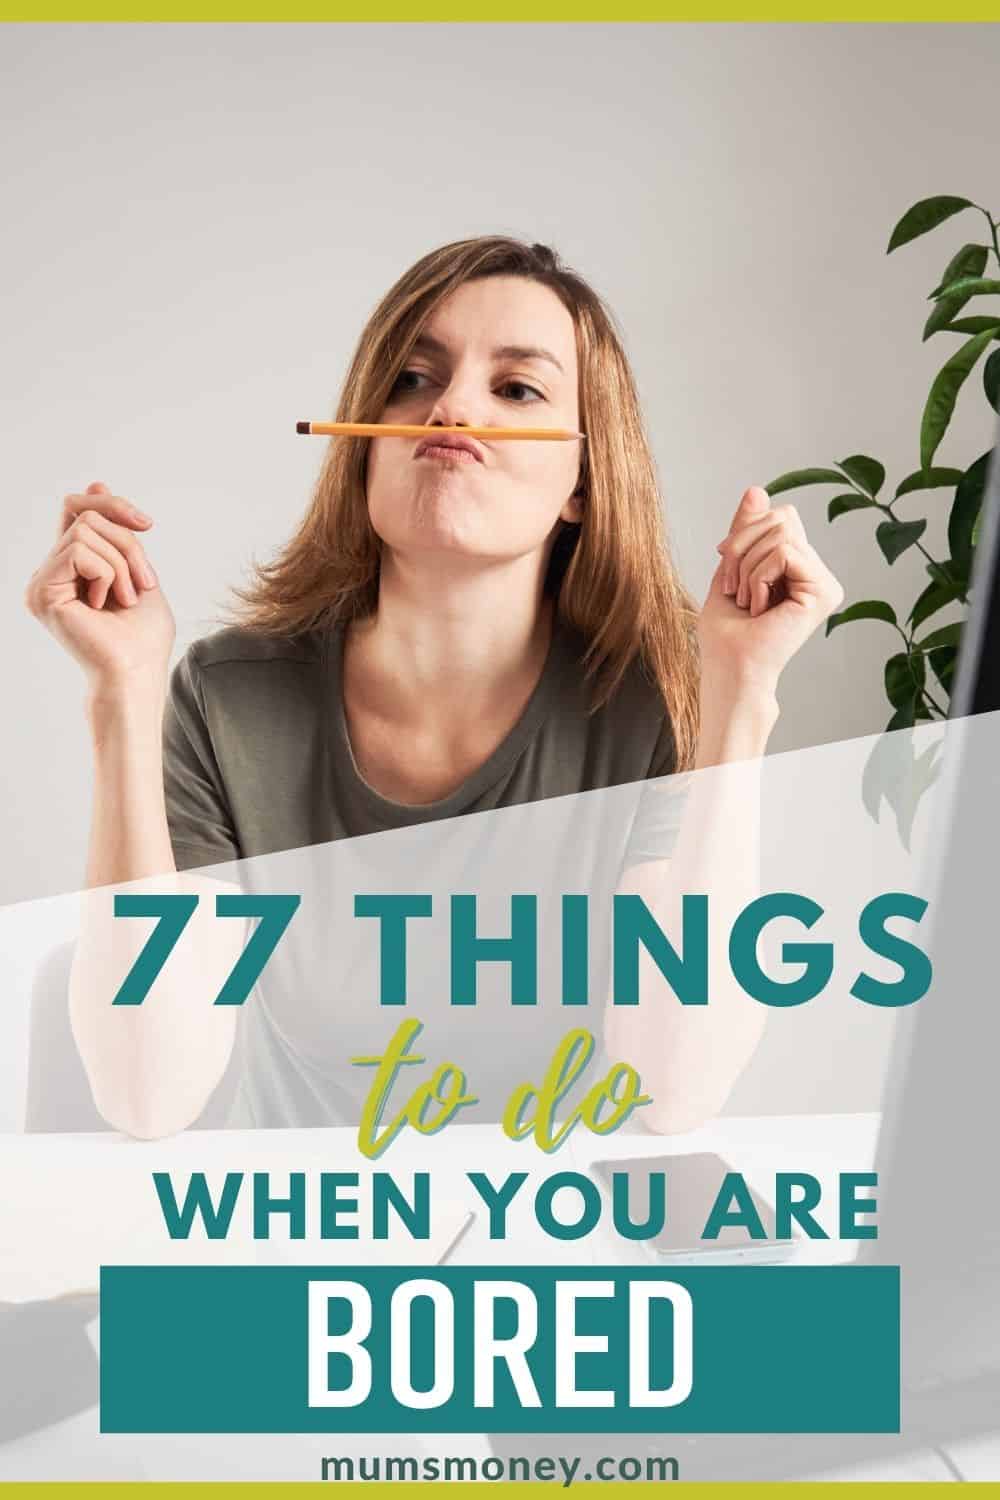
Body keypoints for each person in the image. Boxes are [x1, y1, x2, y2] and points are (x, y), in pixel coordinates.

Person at [25, 235, 844, 1138]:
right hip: (293, 1244)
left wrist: (742, 697)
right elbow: (148, 1097)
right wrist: (122, 691)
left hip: (555, 1248)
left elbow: (673, 1090)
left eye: (517, 388)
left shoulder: (649, 708)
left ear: (583, 478)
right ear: (364, 448)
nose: (450, 407)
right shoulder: (228, 699)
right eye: (412, 379)